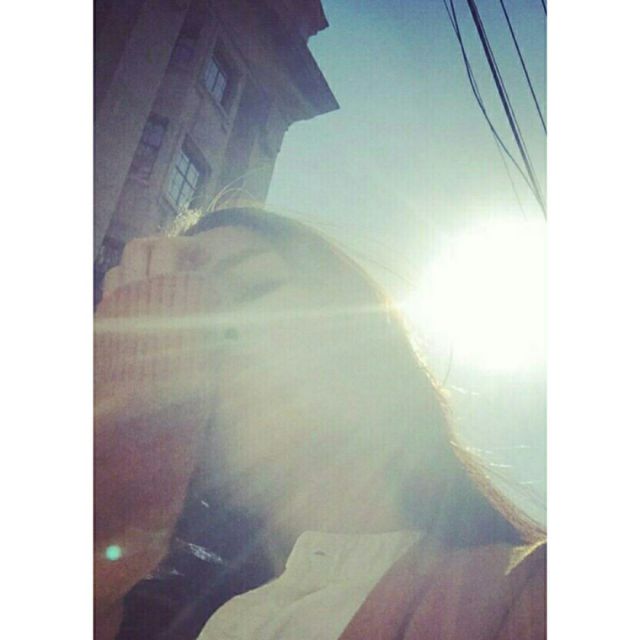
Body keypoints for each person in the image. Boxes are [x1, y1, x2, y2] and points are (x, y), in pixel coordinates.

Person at [94, 206, 545, 640]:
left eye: (252, 289)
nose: (189, 339)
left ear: (366, 337)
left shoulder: (531, 597)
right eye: (163, 319)